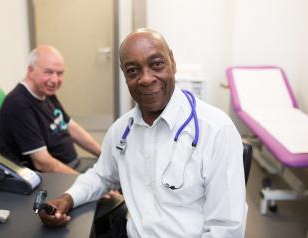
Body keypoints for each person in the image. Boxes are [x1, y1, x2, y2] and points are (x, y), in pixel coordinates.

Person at [38, 29, 247, 237]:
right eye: (133, 70)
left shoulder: (217, 130)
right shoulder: (122, 130)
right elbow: (101, 176)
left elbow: (226, 229)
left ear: (173, 62)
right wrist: (68, 198)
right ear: (124, 74)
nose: (146, 79)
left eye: (156, 64)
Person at [0, 45, 101, 174]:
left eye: (59, 73)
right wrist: (88, 184)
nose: (55, 80)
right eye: (48, 72)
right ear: (31, 71)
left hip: (74, 165)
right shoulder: (18, 104)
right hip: (58, 176)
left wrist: (104, 154)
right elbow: (42, 162)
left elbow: (71, 127)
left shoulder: (45, 91)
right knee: (119, 180)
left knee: (120, 169)